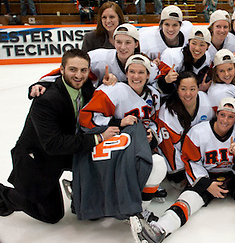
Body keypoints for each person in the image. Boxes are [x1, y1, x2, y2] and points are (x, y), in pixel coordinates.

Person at [129, 97, 235, 243]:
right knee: (188, 198)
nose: (225, 120)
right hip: (207, 176)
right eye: (222, 115)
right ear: (217, 114)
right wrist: (206, 184)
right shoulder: (198, 132)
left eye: (231, 116)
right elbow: (190, 161)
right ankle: (159, 230)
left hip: (233, 176)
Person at [0, 49, 119, 223]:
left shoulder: (86, 88)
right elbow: (53, 144)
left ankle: (80, 193)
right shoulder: (45, 100)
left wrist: (107, 85)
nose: (78, 75)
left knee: (99, 158)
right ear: (61, 70)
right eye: (73, 69)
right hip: (38, 158)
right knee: (51, 215)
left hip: (66, 151)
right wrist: (99, 138)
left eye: (83, 70)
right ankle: (5, 194)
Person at [76, 54, 166, 220]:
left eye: (141, 72)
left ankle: (138, 210)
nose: (136, 76)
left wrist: (151, 136)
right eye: (132, 71)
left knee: (159, 164)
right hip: (113, 146)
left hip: (136, 145)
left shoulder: (154, 95)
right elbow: (87, 118)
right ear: (126, 73)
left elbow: (154, 123)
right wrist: (118, 122)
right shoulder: (113, 90)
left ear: (148, 75)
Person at [157, 71, 214, 190]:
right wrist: (179, 174)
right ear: (177, 89)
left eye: (192, 89)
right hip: (182, 162)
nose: (188, 93)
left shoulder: (206, 102)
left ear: (198, 88)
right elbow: (169, 148)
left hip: (202, 158)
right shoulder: (167, 113)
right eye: (183, 89)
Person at [158, 27, 213, 94]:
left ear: (208, 46)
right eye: (194, 43)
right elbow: (160, 84)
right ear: (189, 42)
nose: (197, 48)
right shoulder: (172, 55)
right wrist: (166, 80)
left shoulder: (207, 58)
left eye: (202, 45)